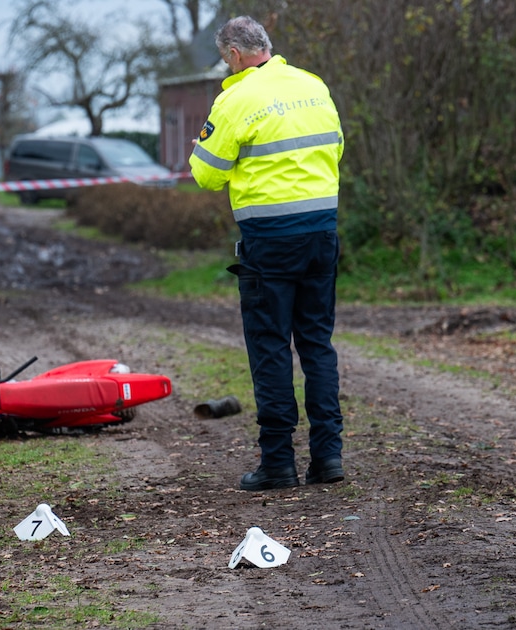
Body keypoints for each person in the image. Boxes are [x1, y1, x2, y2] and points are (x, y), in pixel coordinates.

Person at [189, 16, 345, 491]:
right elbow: (335, 149)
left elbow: (207, 174)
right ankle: (329, 459)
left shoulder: (235, 98)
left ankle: (278, 462)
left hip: (270, 241)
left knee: (271, 346)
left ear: (235, 55)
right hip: (322, 232)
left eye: (223, 59)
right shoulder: (313, 85)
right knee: (317, 345)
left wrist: (204, 149)